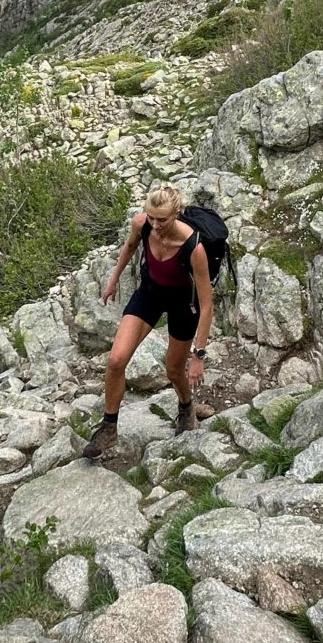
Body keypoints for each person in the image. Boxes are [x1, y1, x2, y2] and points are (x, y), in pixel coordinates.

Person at [83, 183, 214, 458]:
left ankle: (186, 406)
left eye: (162, 219)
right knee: (116, 360)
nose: (155, 224)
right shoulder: (142, 225)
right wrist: (113, 279)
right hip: (150, 293)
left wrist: (198, 355)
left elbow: (206, 303)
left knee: (174, 371)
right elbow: (130, 247)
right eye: (151, 217)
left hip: (182, 304)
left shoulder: (194, 247)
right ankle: (109, 427)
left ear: (176, 214)